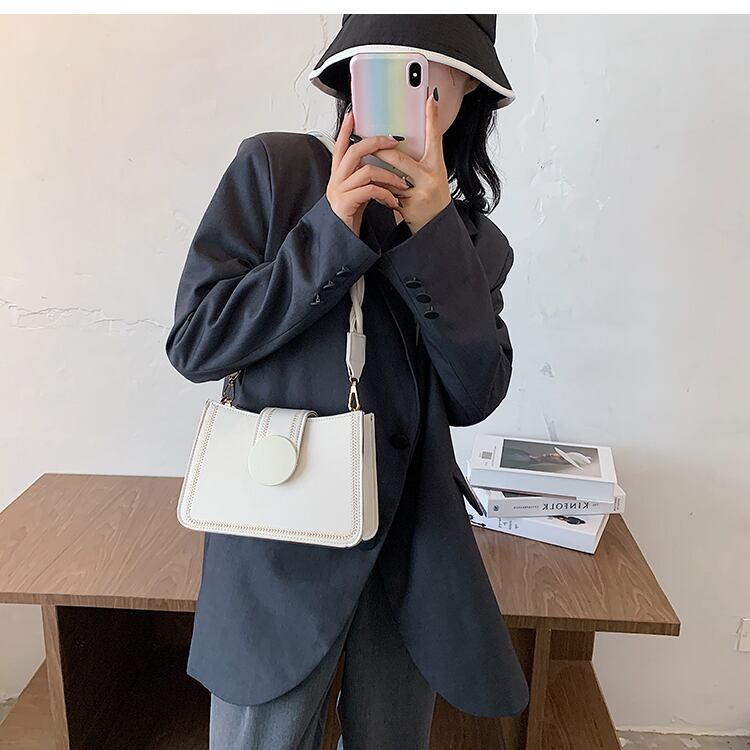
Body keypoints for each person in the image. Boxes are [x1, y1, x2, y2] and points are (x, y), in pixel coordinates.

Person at [165, 14, 529, 750]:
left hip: (410, 561)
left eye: (430, 66)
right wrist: (331, 228)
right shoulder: (276, 173)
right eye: (386, 62)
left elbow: (476, 394)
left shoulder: (474, 243)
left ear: (469, 89)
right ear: (354, 75)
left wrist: (434, 237)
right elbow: (197, 341)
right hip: (277, 545)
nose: (410, 80)